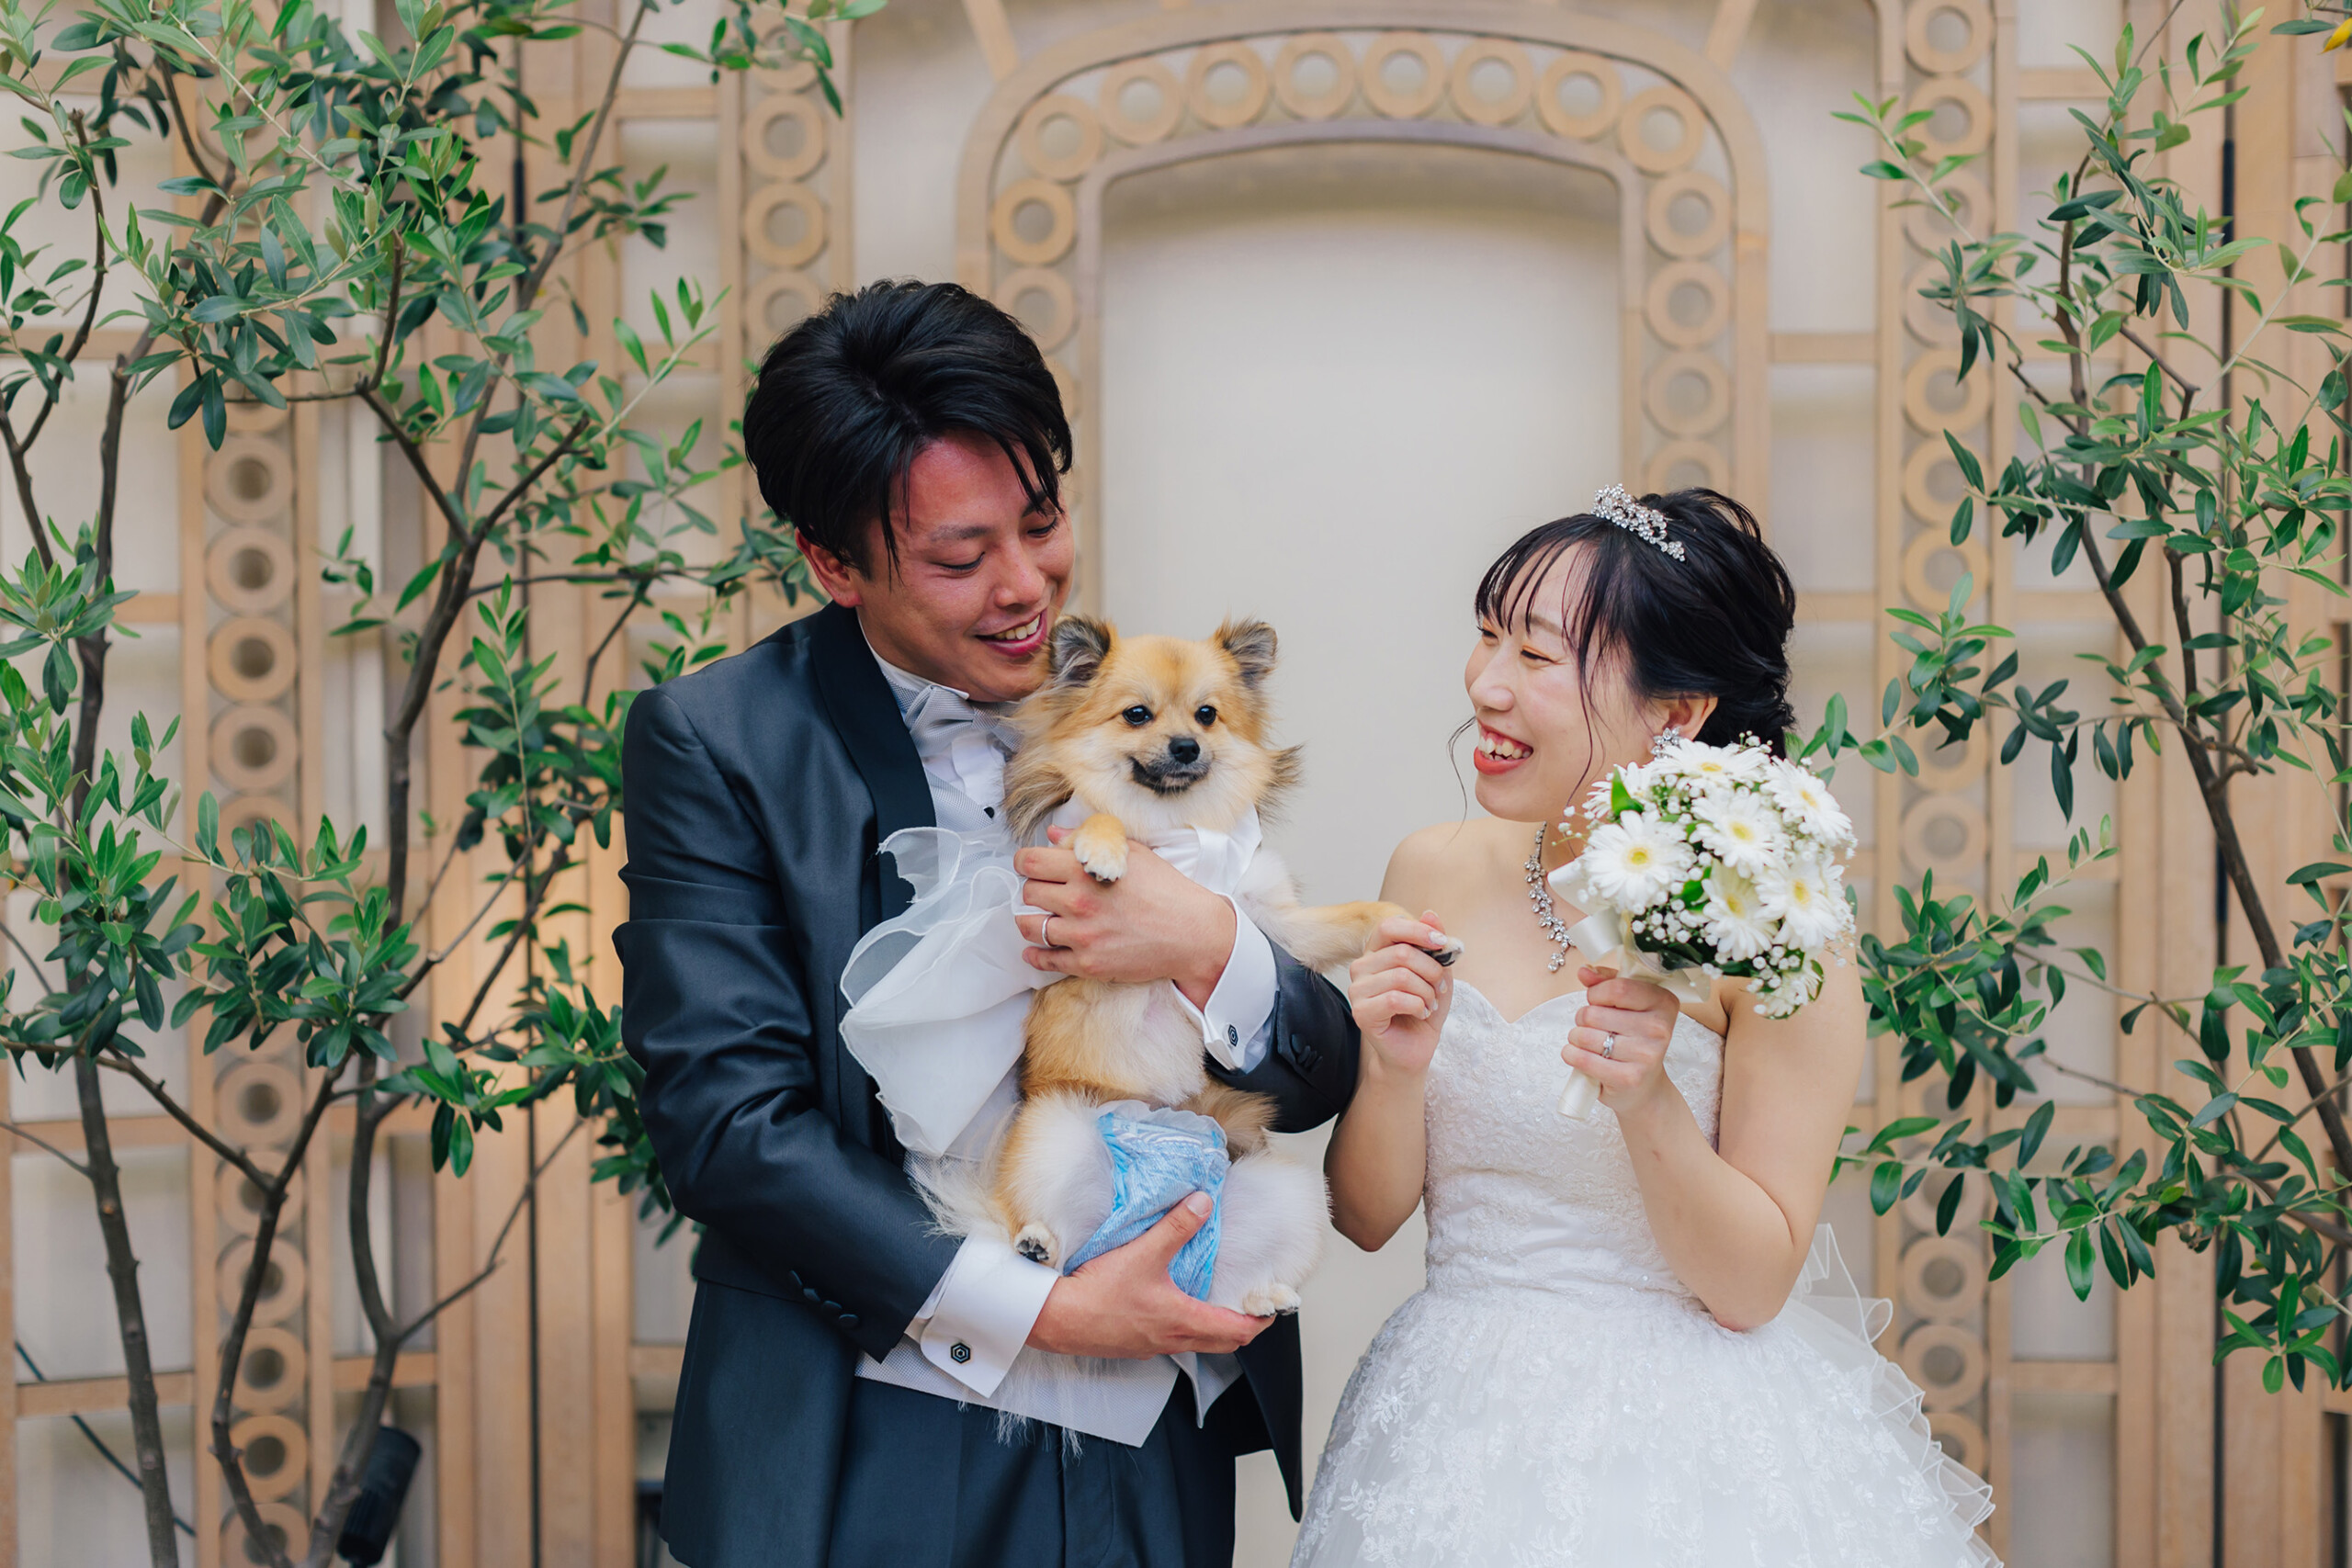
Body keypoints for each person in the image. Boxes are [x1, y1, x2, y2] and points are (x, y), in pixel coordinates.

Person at [615, 279, 1362, 1568]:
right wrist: (1045, 1310)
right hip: (876, 1431)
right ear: (833, 563)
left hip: (1157, 1424)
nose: (1025, 586)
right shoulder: (718, 741)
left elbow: (1315, 1074)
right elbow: (726, 1124)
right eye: (961, 559)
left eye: (1043, 522)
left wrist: (1204, 944)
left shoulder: (1138, 708)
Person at [1292, 490, 1998, 1567]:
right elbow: (1366, 1218)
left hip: (1681, 1451)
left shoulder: (1776, 928)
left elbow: (1751, 1286)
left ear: (1675, 714)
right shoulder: (1431, 868)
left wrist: (1646, 1099)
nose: (1485, 684)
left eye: (1536, 655)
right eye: (1488, 636)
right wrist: (1391, 1069)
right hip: (1446, 1422)